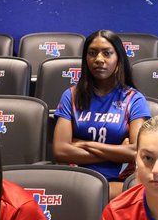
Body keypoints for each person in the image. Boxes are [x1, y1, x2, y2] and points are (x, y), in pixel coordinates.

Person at [54, 29, 151, 196]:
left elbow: (136, 152)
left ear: (118, 59)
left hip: (119, 182)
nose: (99, 59)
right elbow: (60, 151)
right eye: (92, 53)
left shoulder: (134, 99)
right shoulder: (71, 95)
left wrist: (83, 144)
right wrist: (117, 152)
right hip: (75, 177)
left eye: (107, 53)